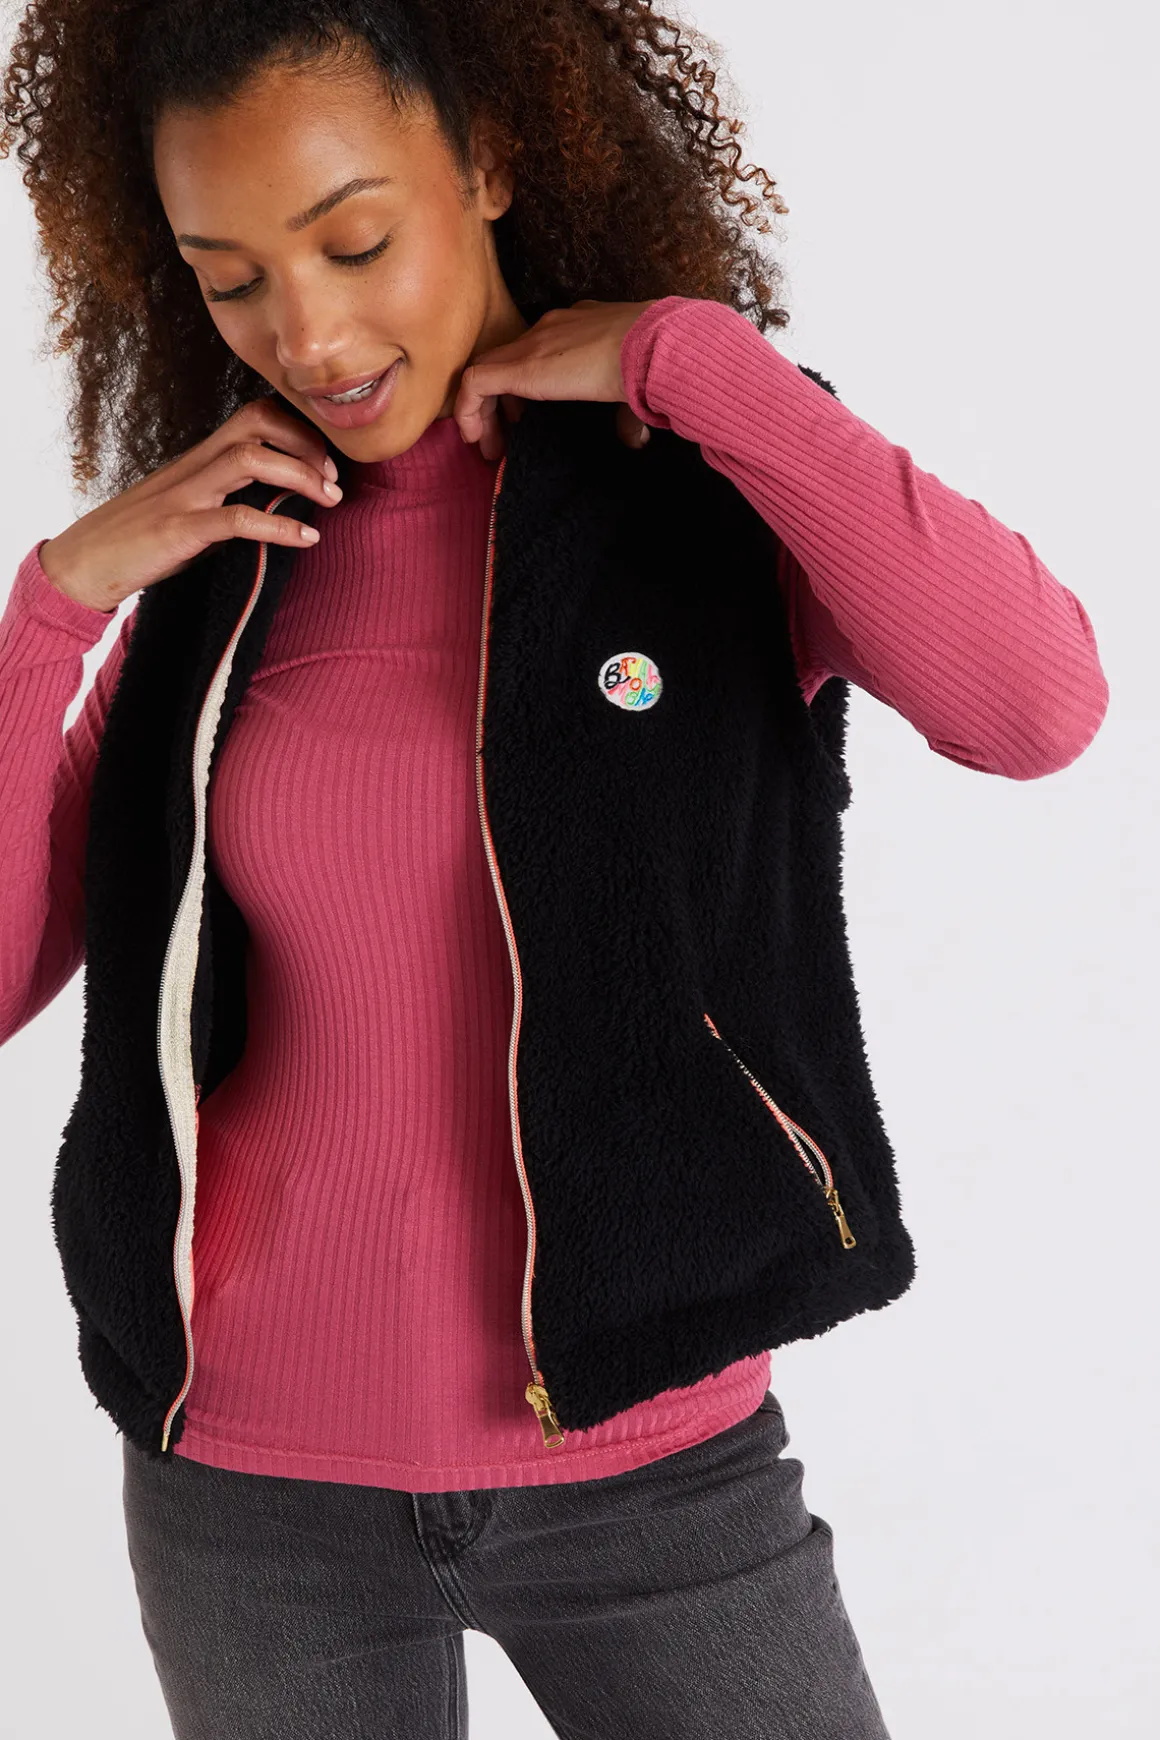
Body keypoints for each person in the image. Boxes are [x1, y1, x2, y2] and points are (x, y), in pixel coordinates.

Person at [0, 2, 1108, 1736]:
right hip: (252, 1502)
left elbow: (1034, 708)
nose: (308, 332)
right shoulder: (225, 561)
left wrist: (698, 366)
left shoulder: (705, 492)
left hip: (652, 1464)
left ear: (494, 159)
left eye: (354, 240)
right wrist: (53, 609)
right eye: (232, 279)